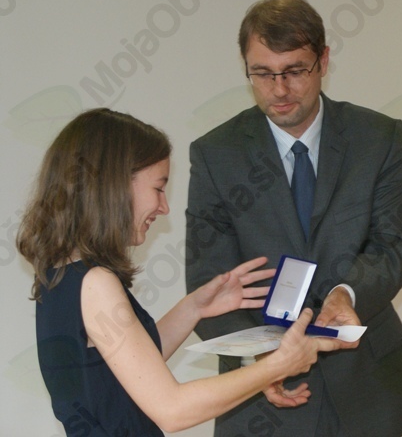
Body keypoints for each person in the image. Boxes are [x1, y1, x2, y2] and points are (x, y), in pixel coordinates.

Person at [18, 108, 351, 436]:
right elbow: (172, 409)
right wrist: (280, 364)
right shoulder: (97, 283)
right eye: (158, 188)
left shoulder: (60, 276)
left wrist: (194, 308)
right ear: (114, 185)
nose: (164, 207)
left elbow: (125, 371)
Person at [185, 0, 402, 436]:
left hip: (368, 389)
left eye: (295, 71)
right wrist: (264, 360)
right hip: (261, 396)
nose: (279, 89)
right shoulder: (216, 155)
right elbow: (208, 281)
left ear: (323, 61)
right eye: (263, 73)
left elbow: (394, 247)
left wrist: (346, 294)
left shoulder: (377, 138)